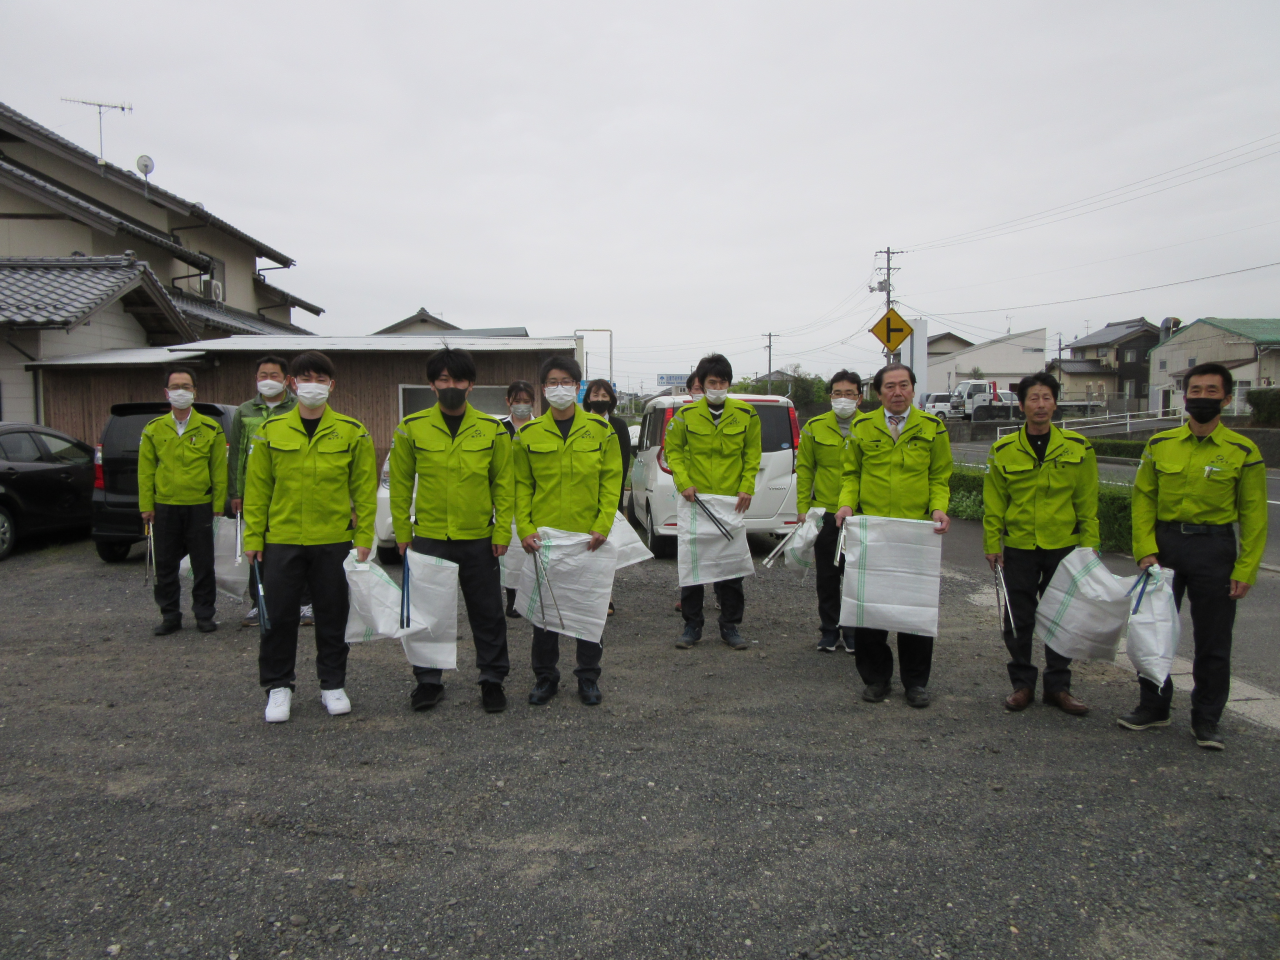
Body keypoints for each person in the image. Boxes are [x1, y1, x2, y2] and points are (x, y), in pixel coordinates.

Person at [1119, 362, 1268, 750]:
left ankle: (1206, 720)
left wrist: (1246, 567)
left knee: (1213, 641)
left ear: (1228, 398)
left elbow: (1254, 515)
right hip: (1166, 545)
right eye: (1196, 391)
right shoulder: (1160, 445)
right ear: (1185, 397)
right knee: (1153, 630)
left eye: (1211, 391)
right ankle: (1153, 706)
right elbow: (1143, 499)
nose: (1202, 398)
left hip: (1214, 549)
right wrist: (1144, 550)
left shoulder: (1243, 450)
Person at [243, 351, 377, 724]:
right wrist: (253, 538)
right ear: (292, 383)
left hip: (333, 540)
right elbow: (257, 491)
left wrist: (364, 536)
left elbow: (364, 492)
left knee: (333, 616)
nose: (312, 385)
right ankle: (278, 687)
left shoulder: (353, 431)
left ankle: (332, 683)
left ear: (331, 385)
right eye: (305, 378)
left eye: (320, 379)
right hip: (281, 539)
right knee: (278, 618)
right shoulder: (270, 431)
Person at [389, 347, 514, 714]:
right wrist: (402, 531)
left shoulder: (492, 430)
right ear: (431, 385)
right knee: (428, 613)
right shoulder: (411, 428)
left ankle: (492, 681)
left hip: (478, 537)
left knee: (488, 613)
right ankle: (428, 682)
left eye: (458, 379)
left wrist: (501, 532)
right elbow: (399, 485)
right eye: (443, 379)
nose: (451, 386)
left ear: (471, 384)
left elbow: (503, 487)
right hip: (428, 537)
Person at [835, 363, 951, 708]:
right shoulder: (861, 426)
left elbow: (940, 476)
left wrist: (938, 508)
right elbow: (851, 474)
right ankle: (876, 679)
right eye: (890, 387)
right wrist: (845, 506)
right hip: (873, 532)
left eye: (903, 385)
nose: (897, 392)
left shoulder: (934, 428)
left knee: (915, 609)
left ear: (914, 390)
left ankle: (916, 683)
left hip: (916, 533)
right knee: (870, 609)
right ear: (878, 392)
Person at [983, 373, 1098, 716]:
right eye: (1033, 398)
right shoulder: (1003, 449)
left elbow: (1088, 501)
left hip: (1064, 545)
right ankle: (1022, 685)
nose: (1040, 405)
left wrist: (1090, 545)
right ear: (1021, 405)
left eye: (1047, 398)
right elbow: (994, 501)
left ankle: (1059, 687)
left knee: (1062, 617)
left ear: (1055, 403)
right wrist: (993, 542)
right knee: (1018, 619)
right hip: (1019, 546)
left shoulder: (1078, 448)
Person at [514, 357, 623, 705]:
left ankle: (588, 678)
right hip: (544, 540)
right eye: (552, 382)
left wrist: (603, 524)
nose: (559, 387)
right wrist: (525, 528)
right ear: (543, 390)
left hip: (588, 539)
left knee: (589, 612)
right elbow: (520, 485)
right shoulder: (528, 434)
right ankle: (545, 678)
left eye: (566, 381)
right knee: (545, 616)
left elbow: (611, 483)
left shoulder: (601, 431)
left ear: (577, 388)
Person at [665, 353, 762, 651]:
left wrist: (747, 487)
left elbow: (752, 454)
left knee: (730, 566)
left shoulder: (747, 414)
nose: (717, 386)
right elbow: (674, 452)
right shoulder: (684, 415)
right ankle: (692, 626)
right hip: (695, 501)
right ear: (701, 385)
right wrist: (684, 483)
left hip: (731, 502)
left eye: (722, 382)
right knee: (693, 565)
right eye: (711, 382)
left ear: (729, 383)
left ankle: (730, 626)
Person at [138, 366, 228, 636]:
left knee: (203, 564)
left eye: (186, 387)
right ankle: (170, 616)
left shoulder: (211, 428)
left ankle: (204, 614)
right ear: (167, 392)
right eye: (175, 387)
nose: (181, 391)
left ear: (194, 392)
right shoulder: (153, 429)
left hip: (199, 506)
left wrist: (217, 506)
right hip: (164, 506)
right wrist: (146, 506)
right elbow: (146, 470)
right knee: (164, 564)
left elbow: (218, 471)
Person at [226, 356, 308, 629]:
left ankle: (304, 603)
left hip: (291, 489)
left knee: (299, 545)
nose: (268, 380)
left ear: (286, 380)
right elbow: (236, 453)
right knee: (256, 545)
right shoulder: (244, 411)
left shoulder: (300, 406)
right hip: (256, 490)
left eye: (274, 375)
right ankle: (257, 602)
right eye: (263, 375)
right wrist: (236, 492)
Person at [795, 370, 862, 653]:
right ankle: (829, 630)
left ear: (860, 398)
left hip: (861, 514)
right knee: (827, 575)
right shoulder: (814, 426)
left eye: (849, 394)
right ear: (830, 396)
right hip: (825, 512)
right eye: (837, 393)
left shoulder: (872, 427)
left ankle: (855, 631)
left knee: (858, 576)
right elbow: (805, 469)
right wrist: (803, 509)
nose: (843, 399)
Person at [499, 380, 537, 616]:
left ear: (533, 403)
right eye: (517, 401)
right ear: (508, 402)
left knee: (531, 549)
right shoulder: (498, 429)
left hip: (533, 498)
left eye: (526, 402)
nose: (521, 406)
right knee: (510, 553)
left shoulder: (540, 428)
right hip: (504, 500)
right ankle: (512, 600)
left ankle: (532, 599)